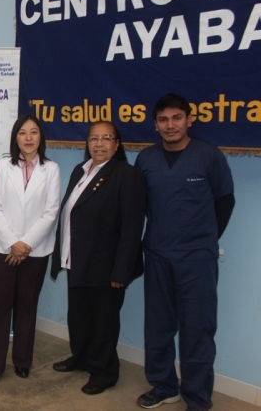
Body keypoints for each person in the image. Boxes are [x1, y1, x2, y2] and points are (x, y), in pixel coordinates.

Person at [135, 94, 235, 411]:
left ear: (189, 120)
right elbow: (140, 206)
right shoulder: (146, 159)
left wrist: (204, 238)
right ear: (155, 125)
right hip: (158, 255)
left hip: (197, 259)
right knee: (158, 326)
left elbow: (225, 200)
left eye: (177, 118)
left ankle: (197, 397)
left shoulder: (209, 156)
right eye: (163, 119)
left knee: (198, 329)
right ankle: (164, 387)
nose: (170, 125)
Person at [50, 121, 146, 395]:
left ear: (117, 144)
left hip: (107, 266)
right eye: (94, 138)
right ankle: (81, 358)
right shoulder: (80, 171)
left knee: (103, 322)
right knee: (79, 316)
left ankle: (104, 372)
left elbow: (131, 228)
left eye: (106, 138)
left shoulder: (126, 175)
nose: (99, 144)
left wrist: (121, 271)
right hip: (77, 260)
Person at [0, 114, 60, 386]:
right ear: (15, 138)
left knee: (27, 307)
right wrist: (12, 243)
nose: (28, 138)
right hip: (2, 247)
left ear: (41, 137)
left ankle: (23, 361)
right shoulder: (2, 165)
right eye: (23, 132)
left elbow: (51, 212)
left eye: (34, 132)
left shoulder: (52, 169)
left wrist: (25, 245)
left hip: (35, 251)